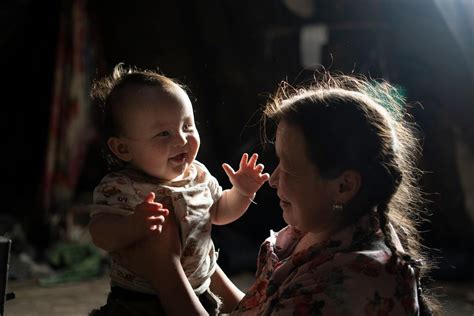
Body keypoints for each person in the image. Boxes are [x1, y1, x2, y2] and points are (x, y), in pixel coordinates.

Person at [118, 73, 440, 315]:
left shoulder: (354, 281)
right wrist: (198, 255)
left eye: (288, 168)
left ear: (344, 185)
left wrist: (166, 269)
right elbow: (256, 310)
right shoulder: (319, 231)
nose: (272, 180)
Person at [87, 63, 270, 315]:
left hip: (201, 289)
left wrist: (242, 192)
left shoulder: (198, 174)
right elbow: (100, 233)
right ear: (123, 149)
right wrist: (132, 226)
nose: (182, 140)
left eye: (187, 126)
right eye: (163, 134)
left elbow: (220, 212)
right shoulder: (121, 187)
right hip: (140, 303)